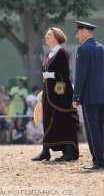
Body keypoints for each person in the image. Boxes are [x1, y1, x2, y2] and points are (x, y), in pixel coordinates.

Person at [32, 27, 79, 162]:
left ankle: (69, 151)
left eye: (49, 34)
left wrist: (50, 75)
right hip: (48, 94)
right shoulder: (50, 54)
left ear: (56, 37)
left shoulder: (62, 52)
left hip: (60, 95)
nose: (46, 36)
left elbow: (64, 74)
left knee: (63, 121)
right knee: (47, 121)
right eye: (46, 34)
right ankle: (45, 151)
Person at [72, 21, 104, 172]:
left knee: (92, 130)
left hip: (88, 96)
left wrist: (76, 96)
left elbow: (80, 76)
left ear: (85, 31)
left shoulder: (83, 49)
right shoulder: (102, 48)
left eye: (78, 32)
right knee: (99, 128)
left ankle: (98, 161)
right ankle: (101, 159)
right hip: (100, 94)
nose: (77, 35)